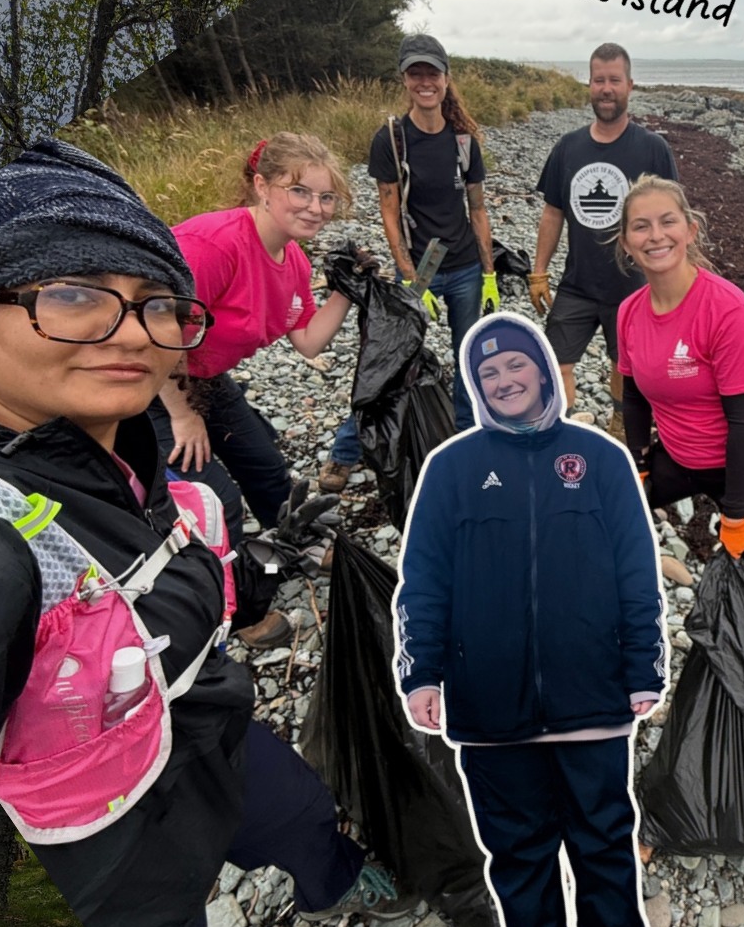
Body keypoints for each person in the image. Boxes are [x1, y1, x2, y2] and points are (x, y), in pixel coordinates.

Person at [0, 139, 413, 927]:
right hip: (109, 869)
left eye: (156, 304)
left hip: (203, 727)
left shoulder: (108, 445)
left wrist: (242, 563)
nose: (130, 331)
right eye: (70, 294)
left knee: (302, 813)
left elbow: (296, 347)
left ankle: (335, 881)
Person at [393, 312, 668, 927]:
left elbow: (635, 573)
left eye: (518, 367)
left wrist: (643, 663)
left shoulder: (600, 460)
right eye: (489, 375)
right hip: (491, 709)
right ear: (476, 388)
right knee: (518, 851)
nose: (507, 382)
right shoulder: (451, 468)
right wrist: (421, 673)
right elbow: (425, 581)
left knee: (604, 836)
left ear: (545, 369)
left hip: (593, 698)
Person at [148, 132, 355, 586]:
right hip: (148, 381)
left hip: (204, 374)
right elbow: (157, 332)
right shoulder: (215, 245)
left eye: (326, 197)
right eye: (298, 191)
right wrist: (183, 417)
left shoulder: (295, 260)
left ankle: (292, 547)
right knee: (207, 496)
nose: (315, 207)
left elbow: (307, 340)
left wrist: (346, 289)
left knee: (265, 466)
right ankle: (233, 605)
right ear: (262, 186)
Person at [616, 175, 744, 646]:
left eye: (667, 222)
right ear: (625, 241)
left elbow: (743, 423)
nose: (655, 236)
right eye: (641, 226)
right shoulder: (630, 311)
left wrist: (735, 517)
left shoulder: (729, 313)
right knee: (602, 511)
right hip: (680, 457)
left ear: (690, 230)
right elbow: (633, 397)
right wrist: (637, 464)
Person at [320, 34, 497, 492]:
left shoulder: (463, 142)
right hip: (419, 269)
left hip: (464, 270)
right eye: (416, 73)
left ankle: (461, 436)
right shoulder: (392, 140)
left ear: (445, 78)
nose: (425, 82)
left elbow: (477, 208)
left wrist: (490, 272)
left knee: (468, 358)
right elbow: (389, 209)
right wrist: (408, 273)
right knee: (392, 359)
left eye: (432, 73)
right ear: (404, 79)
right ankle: (345, 451)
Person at [531, 42, 677, 434]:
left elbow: (672, 219)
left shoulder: (652, 148)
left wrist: (678, 283)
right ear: (589, 85)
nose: (606, 88)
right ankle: (561, 431)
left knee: (623, 365)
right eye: (599, 80)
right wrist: (538, 272)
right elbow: (553, 212)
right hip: (577, 284)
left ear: (630, 85)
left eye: (614, 80)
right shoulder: (568, 147)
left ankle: (619, 423)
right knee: (554, 362)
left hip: (632, 285)